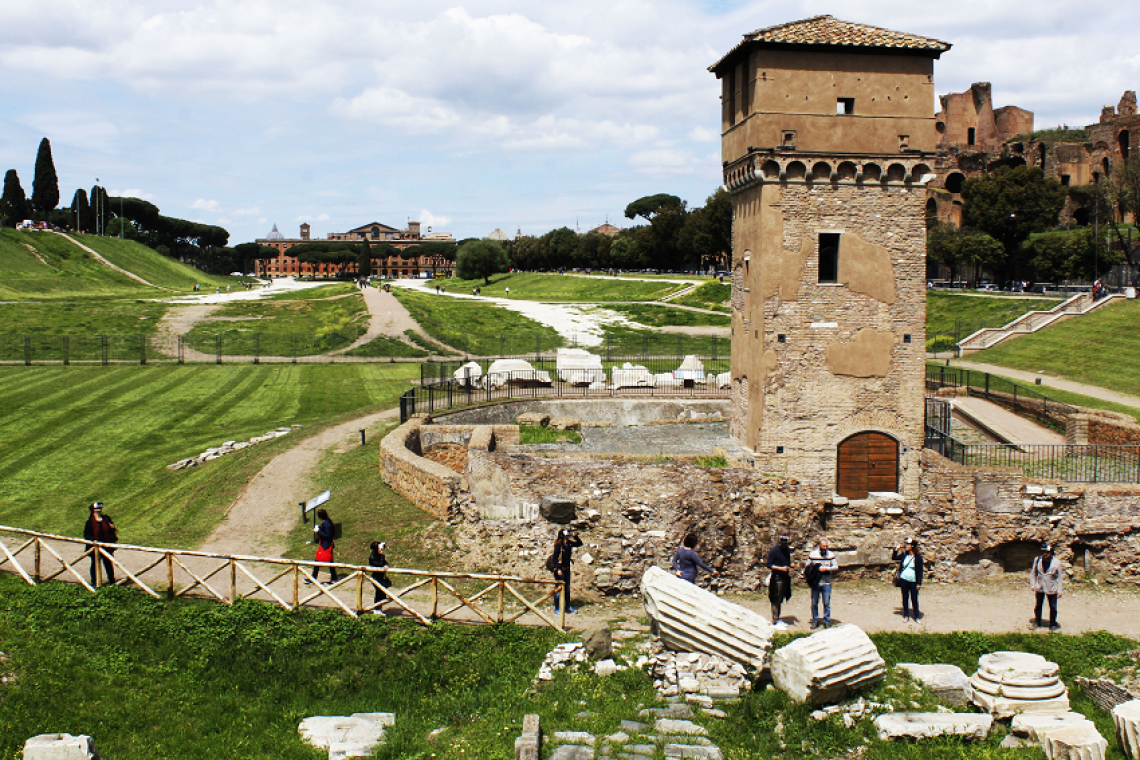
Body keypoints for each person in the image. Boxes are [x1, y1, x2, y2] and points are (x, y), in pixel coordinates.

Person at [806, 537, 838, 629]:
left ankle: (826, 621)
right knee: (814, 602)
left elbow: (836, 567)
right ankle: (815, 620)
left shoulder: (830, 555)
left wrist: (827, 569)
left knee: (827, 603)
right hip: (816, 583)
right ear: (819, 545)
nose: (825, 548)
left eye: (826, 546)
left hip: (826, 583)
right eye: (823, 546)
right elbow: (807, 566)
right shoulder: (813, 554)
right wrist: (815, 570)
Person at [83, 501, 117, 587]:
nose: (99, 510)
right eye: (97, 509)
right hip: (95, 547)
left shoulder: (106, 518)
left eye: (100, 508)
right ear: (93, 510)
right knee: (94, 564)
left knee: (108, 564)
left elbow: (112, 529)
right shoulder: (90, 522)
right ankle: (94, 582)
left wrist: (112, 527)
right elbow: (87, 534)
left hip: (106, 545)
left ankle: (112, 581)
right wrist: (93, 540)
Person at [1030, 544, 1063, 631]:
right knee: (1038, 606)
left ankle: (1052, 624)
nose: (1045, 554)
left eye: (1047, 552)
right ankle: (1037, 622)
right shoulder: (1037, 560)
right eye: (1044, 552)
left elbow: (1060, 578)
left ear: (1051, 553)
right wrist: (1033, 585)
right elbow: (1033, 573)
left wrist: (1059, 591)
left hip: (1051, 587)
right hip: (1040, 587)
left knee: (1053, 607)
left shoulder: (1057, 563)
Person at [549, 529, 583, 613]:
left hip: (567, 569)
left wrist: (575, 536)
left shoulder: (569, 544)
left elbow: (579, 544)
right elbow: (555, 558)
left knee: (567, 589)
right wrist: (557, 569)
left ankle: (568, 606)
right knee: (558, 589)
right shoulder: (559, 545)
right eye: (567, 535)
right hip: (560, 570)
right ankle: (557, 608)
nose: (568, 537)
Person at [892, 538, 924, 623]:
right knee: (905, 597)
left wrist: (919, 583)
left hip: (913, 580)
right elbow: (894, 558)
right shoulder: (904, 555)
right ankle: (906, 615)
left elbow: (920, 571)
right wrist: (897, 549)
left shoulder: (918, 558)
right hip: (904, 579)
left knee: (914, 598)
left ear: (912, 547)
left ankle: (916, 616)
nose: (906, 546)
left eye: (908, 545)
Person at [766, 535, 793, 630]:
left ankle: (778, 618)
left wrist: (790, 565)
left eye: (786, 542)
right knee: (776, 598)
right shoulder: (774, 550)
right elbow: (769, 564)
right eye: (783, 542)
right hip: (777, 578)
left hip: (785, 577)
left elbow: (786, 562)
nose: (785, 544)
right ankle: (775, 620)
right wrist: (780, 568)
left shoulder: (787, 550)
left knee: (781, 598)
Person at [309, 508, 338, 585]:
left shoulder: (327, 524)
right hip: (325, 544)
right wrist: (320, 528)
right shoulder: (327, 522)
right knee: (328, 562)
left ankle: (313, 578)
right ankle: (333, 578)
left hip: (326, 545)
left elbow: (328, 535)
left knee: (320, 561)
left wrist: (318, 531)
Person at [368, 540, 392, 614]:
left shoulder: (380, 556)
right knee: (378, 593)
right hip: (376, 578)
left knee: (382, 594)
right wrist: (382, 557)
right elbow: (380, 563)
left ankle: (379, 608)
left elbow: (385, 563)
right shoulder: (372, 557)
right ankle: (376, 609)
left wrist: (386, 565)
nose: (381, 550)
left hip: (381, 578)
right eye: (379, 549)